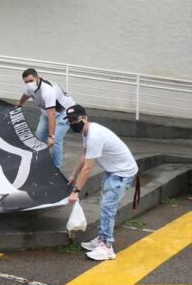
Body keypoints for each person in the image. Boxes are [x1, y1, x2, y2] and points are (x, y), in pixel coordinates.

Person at [65, 105, 139, 261]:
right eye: (70, 121)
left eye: (75, 119)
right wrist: (73, 174)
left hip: (121, 173)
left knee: (107, 208)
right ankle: (101, 240)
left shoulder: (94, 135)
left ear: (85, 118)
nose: (72, 123)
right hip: (113, 170)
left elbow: (88, 168)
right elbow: (84, 155)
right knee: (106, 206)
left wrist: (76, 191)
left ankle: (106, 246)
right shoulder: (87, 132)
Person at [14, 68, 75, 169]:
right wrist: (20, 103)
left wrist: (51, 136)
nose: (29, 83)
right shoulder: (29, 87)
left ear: (37, 77)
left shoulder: (47, 90)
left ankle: (56, 168)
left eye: (31, 81)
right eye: (26, 82)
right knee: (39, 137)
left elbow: (52, 115)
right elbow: (26, 94)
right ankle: (39, 161)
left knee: (56, 139)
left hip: (64, 112)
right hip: (47, 112)